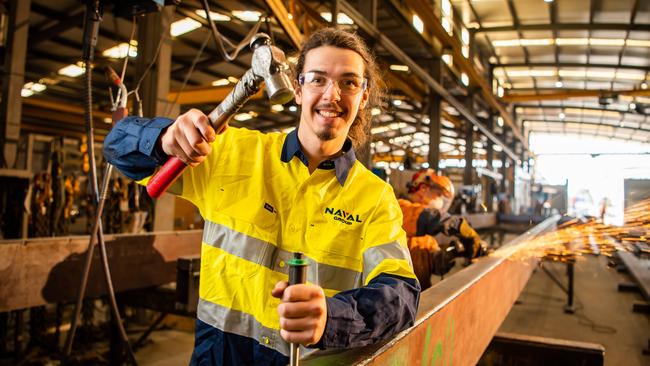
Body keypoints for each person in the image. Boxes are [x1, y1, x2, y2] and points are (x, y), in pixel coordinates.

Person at [104, 28, 419, 365]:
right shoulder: (230, 155)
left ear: (364, 95)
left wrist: (333, 317)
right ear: (297, 89)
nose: (332, 95)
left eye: (349, 82)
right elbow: (117, 146)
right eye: (317, 79)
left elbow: (400, 295)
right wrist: (164, 138)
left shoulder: (375, 198)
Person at [398, 169, 483, 290]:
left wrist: (452, 253)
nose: (442, 203)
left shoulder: (427, 236)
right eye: (439, 196)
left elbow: (432, 265)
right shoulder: (399, 209)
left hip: (419, 295)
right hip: (396, 297)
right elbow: (426, 217)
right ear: (422, 189)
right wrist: (457, 225)